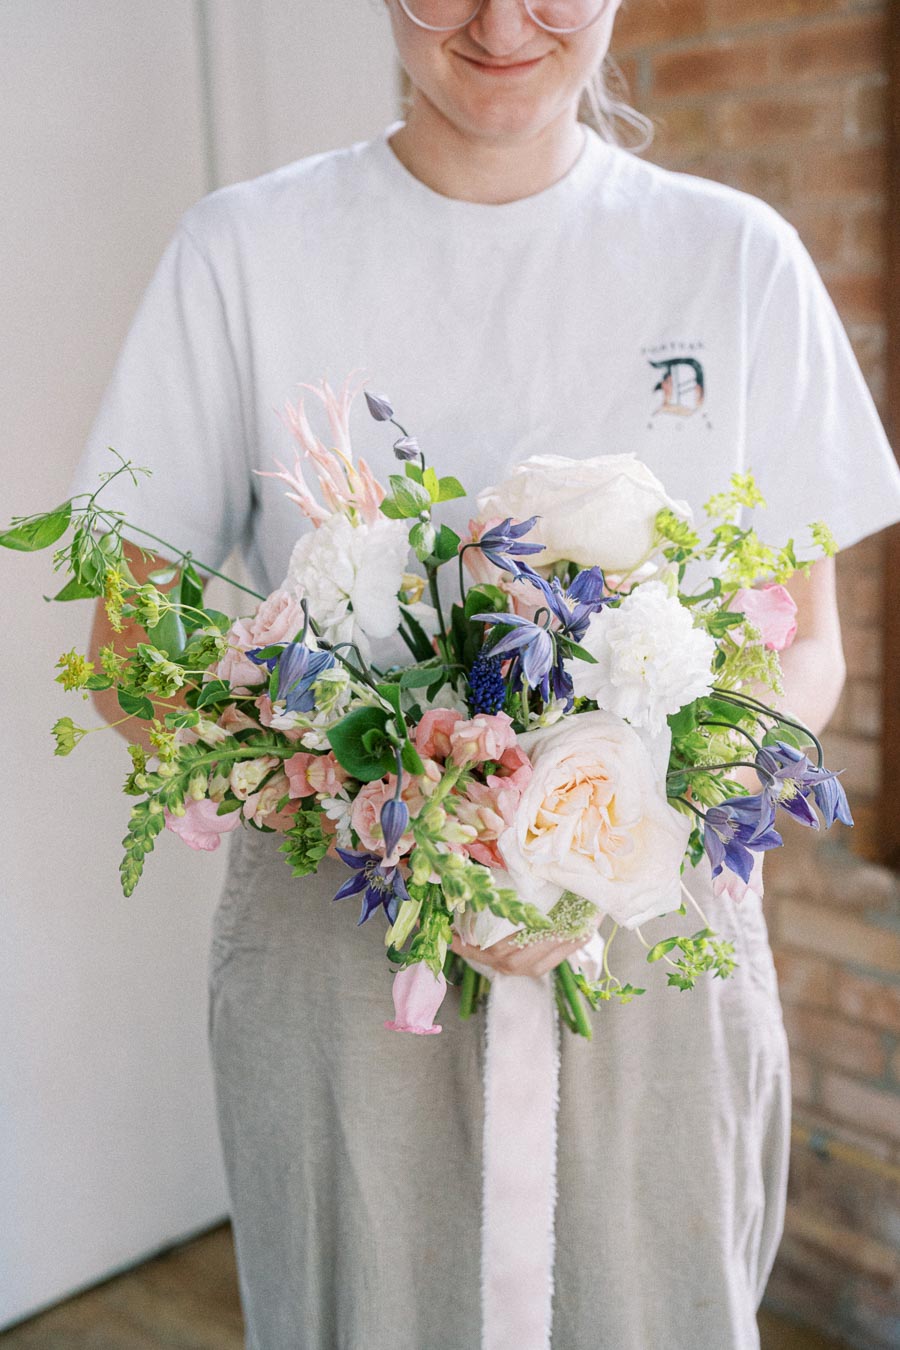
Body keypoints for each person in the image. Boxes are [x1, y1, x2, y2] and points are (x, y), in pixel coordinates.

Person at [73, 1, 900, 1346]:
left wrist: (611, 820)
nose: (504, 17)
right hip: (347, 971)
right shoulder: (244, 254)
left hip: (649, 956)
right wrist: (404, 814)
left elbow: (809, 647)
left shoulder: (733, 260)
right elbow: (124, 657)